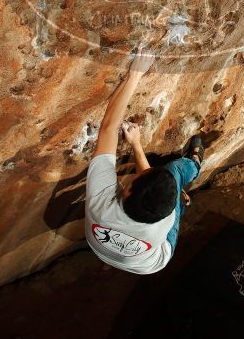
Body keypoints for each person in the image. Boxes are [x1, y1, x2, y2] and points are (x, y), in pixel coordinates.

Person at [84, 52, 204, 274]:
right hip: (140, 261)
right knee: (173, 174)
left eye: (138, 177)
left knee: (171, 173)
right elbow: (148, 180)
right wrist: (136, 144)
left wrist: (135, 74)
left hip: (128, 252)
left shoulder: (101, 205)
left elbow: (108, 128)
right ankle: (192, 170)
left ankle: (188, 181)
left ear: (127, 191)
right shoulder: (164, 219)